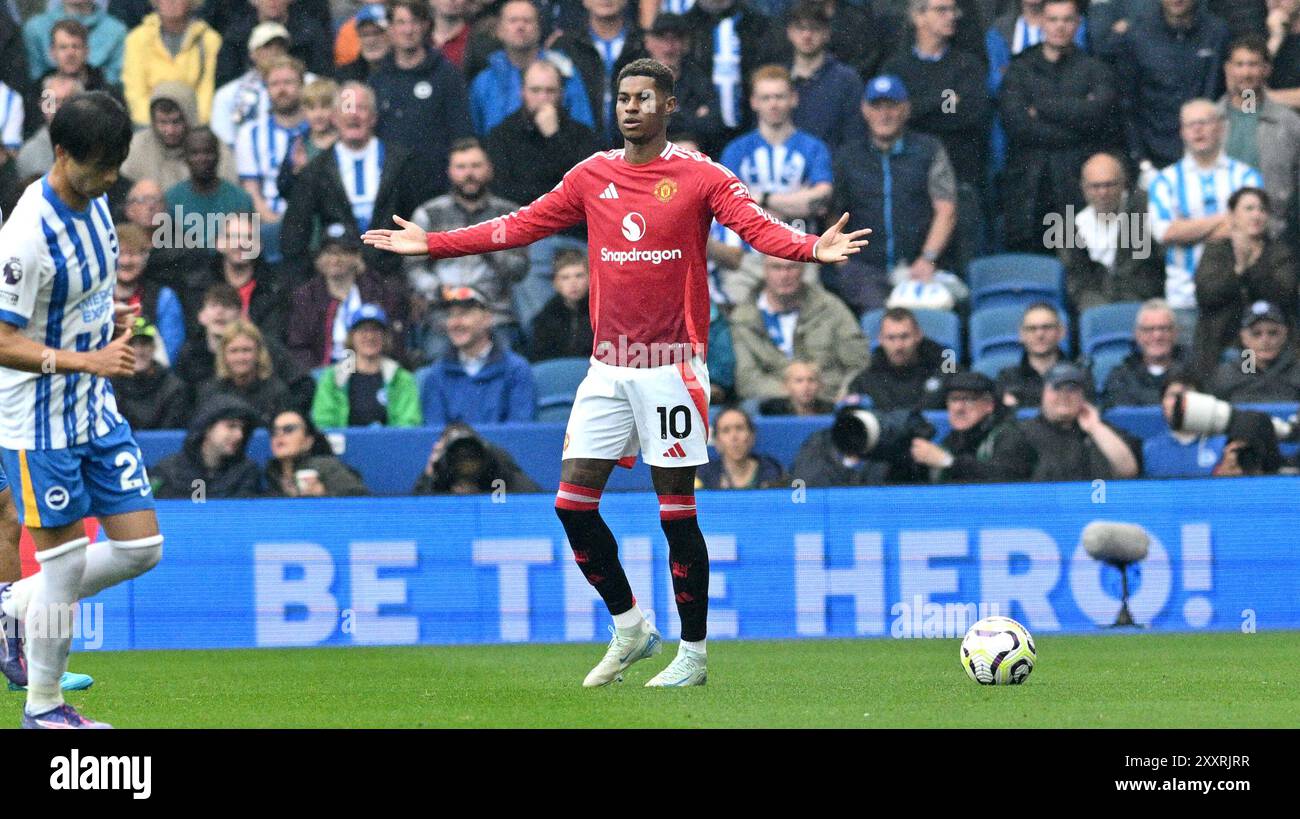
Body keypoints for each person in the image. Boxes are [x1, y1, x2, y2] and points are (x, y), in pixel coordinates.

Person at [363, 57, 870, 688]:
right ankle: (631, 627)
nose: (630, 107)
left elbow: (755, 228)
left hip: (671, 369)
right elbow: (517, 225)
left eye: (643, 98)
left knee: (676, 512)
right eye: (623, 97)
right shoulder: (590, 176)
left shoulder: (699, 176)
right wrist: (436, 243)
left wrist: (809, 247)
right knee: (572, 505)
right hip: (606, 369)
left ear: (669, 107)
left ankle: (694, 655)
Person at [0, 91, 162, 729]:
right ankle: (44, 710)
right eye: (98, 165)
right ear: (62, 153)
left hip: (92, 409)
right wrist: (88, 360)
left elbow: (81, 295)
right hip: (37, 422)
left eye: (117, 164)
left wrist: (104, 318)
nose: (109, 177)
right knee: (65, 567)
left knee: (141, 548)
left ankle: (13, 605)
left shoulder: (96, 204)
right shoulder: (24, 237)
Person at [997, 0, 1119, 252]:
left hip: (1076, 185)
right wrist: (1075, 123)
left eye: (1067, 20)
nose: (1060, 27)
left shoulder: (1095, 69)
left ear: (1078, 23)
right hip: (1029, 188)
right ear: (1042, 22)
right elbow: (1016, 124)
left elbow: (1098, 117)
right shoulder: (1020, 68)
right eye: (1053, 19)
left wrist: (1040, 108)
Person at [830, 75, 958, 314]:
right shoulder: (847, 156)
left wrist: (927, 258)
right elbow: (831, 214)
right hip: (864, 270)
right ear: (864, 110)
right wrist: (843, 263)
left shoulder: (929, 150)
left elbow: (946, 210)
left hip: (918, 267)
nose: (884, 115)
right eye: (876, 107)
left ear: (906, 109)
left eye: (891, 106)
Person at [279, 81, 427, 284]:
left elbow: (418, 218)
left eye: (361, 108)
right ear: (334, 118)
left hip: (393, 277)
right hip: (335, 279)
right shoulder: (316, 171)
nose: (353, 114)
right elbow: (295, 231)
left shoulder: (402, 163)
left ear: (374, 117)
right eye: (346, 108)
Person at [484, 59, 596, 324]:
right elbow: (504, 191)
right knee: (532, 294)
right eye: (536, 91)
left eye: (550, 91)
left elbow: (587, 189)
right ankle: (543, 354)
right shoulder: (502, 136)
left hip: (577, 236)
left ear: (561, 94)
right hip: (532, 239)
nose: (543, 98)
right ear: (523, 93)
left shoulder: (582, 136)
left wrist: (554, 137)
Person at [406, 137, 526, 360]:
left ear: (489, 169)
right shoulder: (429, 213)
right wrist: (439, 290)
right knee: (435, 362)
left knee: (509, 363)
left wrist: (488, 246)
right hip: (444, 315)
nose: (469, 173)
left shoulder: (509, 214)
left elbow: (520, 269)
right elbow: (413, 268)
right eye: (461, 167)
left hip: (495, 315)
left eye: (476, 166)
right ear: (450, 171)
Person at [1149, 99, 1265, 316]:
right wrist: (1229, 219)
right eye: (1190, 125)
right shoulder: (1165, 180)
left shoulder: (1247, 176)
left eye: (1204, 122)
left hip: (1239, 293)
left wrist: (1186, 229)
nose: (1197, 130)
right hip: (1184, 297)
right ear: (1182, 132)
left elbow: (1253, 229)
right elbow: (1165, 232)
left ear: (1220, 127)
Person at [730, 254, 870, 403]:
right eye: (776, 267)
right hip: (772, 403)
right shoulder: (743, 318)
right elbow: (747, 379)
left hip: (829, 398)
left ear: (803, 270)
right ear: (764, 271)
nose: (784, 275)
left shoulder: (830, 308)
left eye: (792, 267)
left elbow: (858, 363)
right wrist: (793, 392)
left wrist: (841, 392)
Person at [881, 0, 990, 191]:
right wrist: (943, 100)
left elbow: (971, 115)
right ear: (918, 17)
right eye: (942, 10)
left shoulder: (968, 66)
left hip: (959, 172)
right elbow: (891, 117)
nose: (951, 16)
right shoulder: (896, 68)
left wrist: (916, 107)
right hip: (908, 174)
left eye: (953, 9)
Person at [368, 0, 472, 200]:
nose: (408, 30)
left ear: (425, 26)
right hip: (389, 188)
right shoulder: (377, 79)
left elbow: (461, 132)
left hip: (436, 186)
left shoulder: (446, 74)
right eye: (401, 23)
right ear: (390, 28)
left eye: (414, 22)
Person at [1114, 0, 1231, 171]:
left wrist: (1250, 120)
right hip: (1157, 155)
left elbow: (1247, 84)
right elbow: (1126, 103)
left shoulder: (1219, 32)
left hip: (1212, 152)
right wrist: (1140, 159)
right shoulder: (1137, 35)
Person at [719, 65, 833, 238]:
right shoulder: (736, 150)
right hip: (747, 255)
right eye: (765, 98)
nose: (773, 104)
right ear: (754, 102)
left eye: (779, 97)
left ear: (794, 99)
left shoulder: (814, 148)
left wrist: (762, 199)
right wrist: (795, 202)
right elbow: (728, 206)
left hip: (801, 250)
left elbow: (821, 198)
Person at [1193, 187, 1297, 375]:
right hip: (1224, 343)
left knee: (1256, 385)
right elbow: (1207, 294)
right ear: (1232, 216)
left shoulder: (1280, 252)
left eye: (1262, 209)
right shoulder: (1216, 251)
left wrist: (1252, 266)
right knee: (1239, 382)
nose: (1257, 214)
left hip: (1270, 344)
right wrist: (1239, 269)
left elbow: (1283, 294)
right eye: (1249, 209)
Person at [287, 227, 407, 370]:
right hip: (324, 372)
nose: (335, 259)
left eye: (343, 252)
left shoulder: (378, 291)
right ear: (318, 259)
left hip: (372, 367)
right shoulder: (307, 296)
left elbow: (393, 338)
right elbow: (299, 345)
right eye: (328, 252)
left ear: (357, 257)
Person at [468, 0, 594, 136]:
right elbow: (475, 134)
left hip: (555, 152)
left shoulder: (564, 72)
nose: (520, 26)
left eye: (527, 21)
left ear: (539, 28)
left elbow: (583, 128)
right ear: (499, 30)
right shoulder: (484, 81)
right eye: (513, 20)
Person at [1060, 152, 1166, 312]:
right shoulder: (1073, 227)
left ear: (1123, 183)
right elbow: (1077, 285)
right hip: (1099, 314)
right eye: (1095, 186)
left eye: (1110, 185)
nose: (1103, 193)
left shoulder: (1146, 211)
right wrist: (1106, 314)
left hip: (1147, 310)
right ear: (1083, 187)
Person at [1220, 35, 1300, 242]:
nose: (1246, 73)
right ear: (1228, 69)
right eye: (1239, 64)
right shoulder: (1210, 120)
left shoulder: (1289, 123)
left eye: (1253, 65)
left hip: (1275, 235)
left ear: (1266, 70)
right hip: (1220, 233)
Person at [418, 285, 536, 424]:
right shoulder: (436, 375)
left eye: (464, 314)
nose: (455, 323)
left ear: (487, 319)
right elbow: (435, 433)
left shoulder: (516, 370)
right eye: (451, 315)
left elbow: (520, 430)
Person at [1019, 363, 1141, 481]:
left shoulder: (1101, 432)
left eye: (1072, 389)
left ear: (1083, 396)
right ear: (1043, 394)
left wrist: (1095, 427)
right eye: (1057, 388)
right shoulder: (1021, 434)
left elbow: (1128, 471)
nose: (1064, 396)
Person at [907, 371, 1035, 483]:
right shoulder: (951, 440)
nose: (958, 408)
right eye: (953, 399)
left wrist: (949, 463)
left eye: (968, 400)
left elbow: (1004, 478)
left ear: (989, 405)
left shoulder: (1009, 435)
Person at [311, 303, 421, 428]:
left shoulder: (401, 378)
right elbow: (323, 423)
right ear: (351, 336)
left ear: (385, 337)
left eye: (375, 330)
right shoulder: (333, 377)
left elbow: (409, 423)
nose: (369, 336)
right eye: (363, 330)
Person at [120, 80, 239, 193]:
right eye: (163, 122)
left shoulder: (211, 147)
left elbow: (228, 193)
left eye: (176, 122)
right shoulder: (136, 148)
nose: (170, 130)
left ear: (190, 118)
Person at [121, 0, 222, 128]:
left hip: (194, 125)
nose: (171, 2)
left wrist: (194, 124)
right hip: (148, 125)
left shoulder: (210, 40)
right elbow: (135, 92)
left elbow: (207, 91)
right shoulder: (137, 39)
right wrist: (161, 124)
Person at [781, 1, 865, 152]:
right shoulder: (777, 79)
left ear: (826, 33)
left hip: (832, 170)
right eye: (800, 28)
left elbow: (854, 138)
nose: (807, 35)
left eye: (815, 29)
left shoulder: (847, 80)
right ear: (790, 33)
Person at [151, 394, 262, 498]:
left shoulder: (246, 473)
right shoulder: (167, 472)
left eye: (242, 428)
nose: (240, 435)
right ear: (207, 428)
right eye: (231, 426)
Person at [842, 306, 952, 411]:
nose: (898, 346)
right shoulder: (866, 378)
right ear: (880, 339)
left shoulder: (945, 370)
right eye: (891, 338)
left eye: (904, 337)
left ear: (918, 335)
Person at [194, 318, 292, 425]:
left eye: (246, 350)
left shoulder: (277, 392)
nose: (240, 357)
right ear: (223, 355)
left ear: (259, 353)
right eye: (233, 351)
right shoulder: (210, 392)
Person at [164, 126, 255, 242]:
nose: (202, 158)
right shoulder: (171, 199)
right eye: (194, 153)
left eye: (208, 152)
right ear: (185, 157)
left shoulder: (240, 198)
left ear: (218, 155)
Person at [114, 221, 185, 363]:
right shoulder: (97, 296)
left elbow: (171, 350)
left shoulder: (164, 297)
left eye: (133, 254)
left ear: (145, 257)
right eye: (120, 254)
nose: (126, 261)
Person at [1102, 299, 1192, 408]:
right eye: (1149, 330)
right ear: (1137, 335)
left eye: (1163, 328)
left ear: (1175, 333)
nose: (1157, 336)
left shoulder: (1194, 371)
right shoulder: (1120, 377)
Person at [996, 302, 1088, 407]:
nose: (1039, 334)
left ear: (1061, 332)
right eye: (1032, 329)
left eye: (1047, 327)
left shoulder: (1080, 374)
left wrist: (1022, 400)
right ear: (1021, 335)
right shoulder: (1007, 379)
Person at [412, 420, 541, 495]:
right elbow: (415, 517)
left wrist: (487, 495)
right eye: (456, 454)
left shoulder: (497, 468)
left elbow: (533, 503)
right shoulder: (439, 473)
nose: (464, 461)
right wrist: (430, 473)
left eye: (470, 454)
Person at [263, 409, 369, 497]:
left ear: (308, 441)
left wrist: (322, 494)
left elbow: (360, 496)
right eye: (274, 431)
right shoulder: (269, 473)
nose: (279, 435)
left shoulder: (326, 466)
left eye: (289, 429)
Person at [1209, 299, 1300, 401]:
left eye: (1273, 332)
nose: (1265, 341)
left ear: (1284, 334)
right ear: (1243, 337)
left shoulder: (1297, 371)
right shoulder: (1225, 375)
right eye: (1256, 333)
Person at [1142, 370, 1225, 478]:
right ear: (1162, 403)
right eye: (1173, 395)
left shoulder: (1223, 445)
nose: (1179, 402)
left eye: (1188, 395)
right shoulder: (1148, 449)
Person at [22, 0, 127, 85]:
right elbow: (34, 83)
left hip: (96, 103)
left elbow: (115, 86)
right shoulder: (35, 29)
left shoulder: (116, 31)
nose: (70, 53)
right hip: (50, 101)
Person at [110, 318, 188, 430]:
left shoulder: (174, 388)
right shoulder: (110, 388)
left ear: (153, 348)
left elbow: (171, 434)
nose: (139, 351)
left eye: (144, 344)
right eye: (132, 344)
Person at [527, 247, 594, 362]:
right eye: (565, 278)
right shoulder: (544, 319)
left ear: (589, 278)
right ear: (555, 283)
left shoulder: (601, 314)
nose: (573, 283)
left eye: (579, 276)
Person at [694, 406, 784, 489]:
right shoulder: (704, 474)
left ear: (752, 436)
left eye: (739, 428)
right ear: (717, 441)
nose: (734, 437)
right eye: (726, 430)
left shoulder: (771, 470)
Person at [16, 74, 80, 180]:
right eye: (51, 101)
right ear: (42, 105)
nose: (58, 107)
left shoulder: (96, 146)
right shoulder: (29, 152)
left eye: (66, 100)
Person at [757, 358, 834, 416]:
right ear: (785, 386)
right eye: (799, 381)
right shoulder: (770, 409)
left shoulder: (830, 410)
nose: (806, 386)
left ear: (820, 385)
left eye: (811, 380)